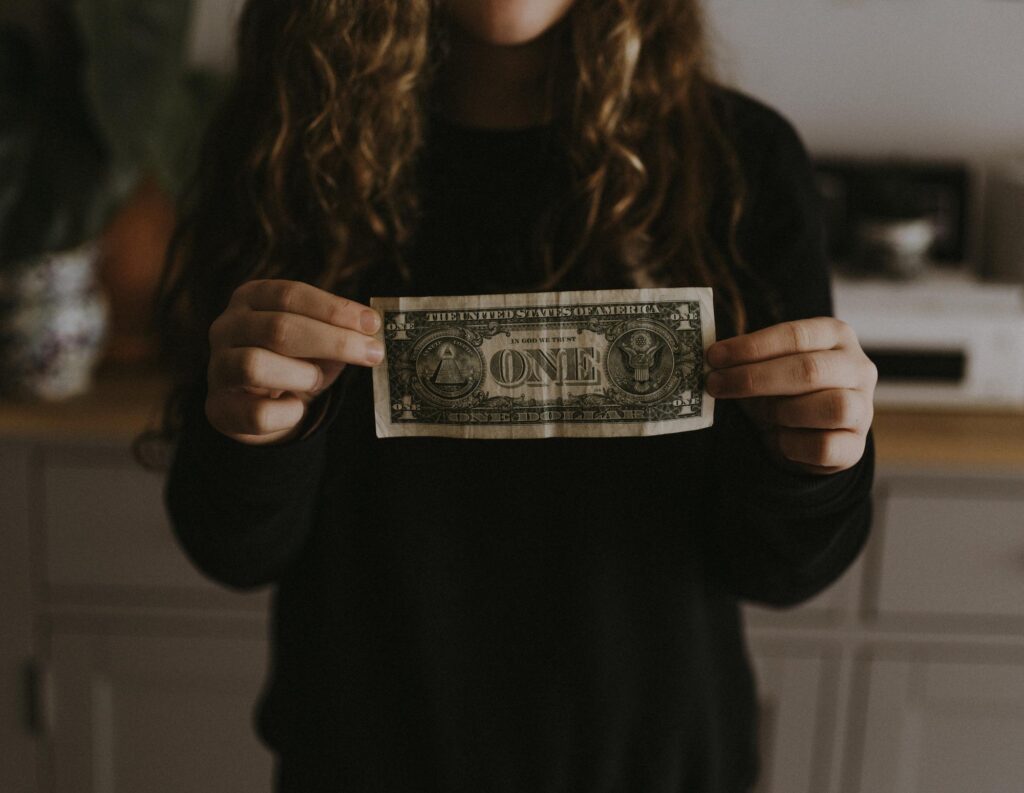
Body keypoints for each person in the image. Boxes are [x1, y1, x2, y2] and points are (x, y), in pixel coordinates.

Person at [144, 1, 877, 791]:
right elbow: (233, 548)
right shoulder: (282, 151)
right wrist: (250, 436)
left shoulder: (741, 162)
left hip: (652, 765)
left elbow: (775, 569)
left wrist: (814, 465)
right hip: (364, 764)